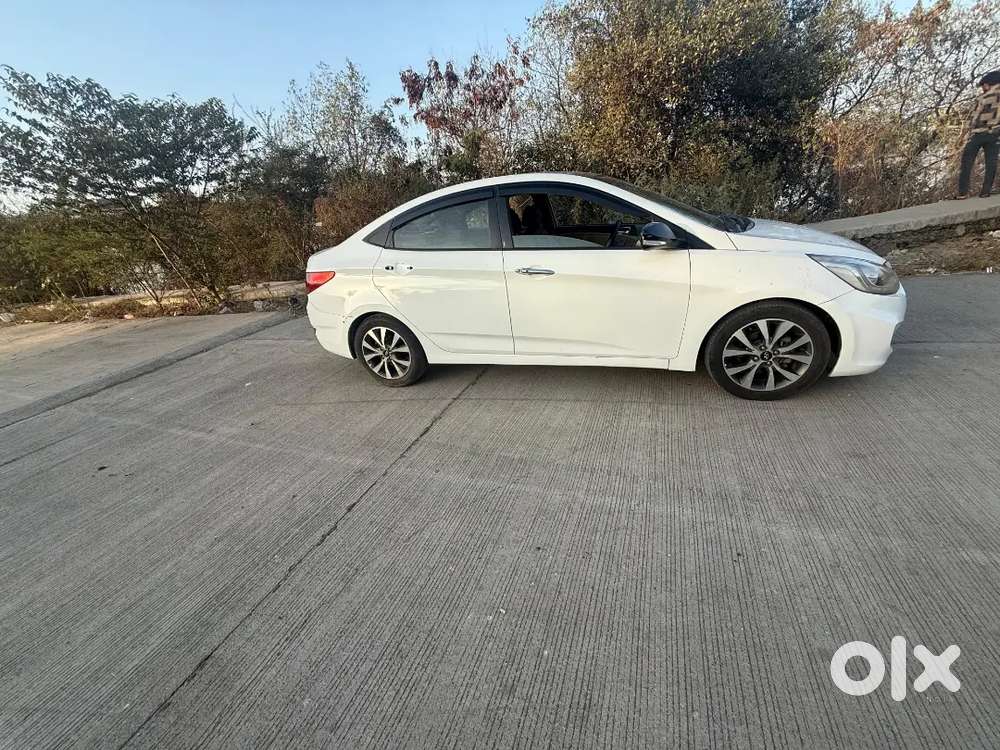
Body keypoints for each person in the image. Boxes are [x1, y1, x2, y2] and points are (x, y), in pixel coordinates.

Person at [958, 70, 1000, 199]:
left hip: (978, 134)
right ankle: (985, 191)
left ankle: (963, 192)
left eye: (983, 85)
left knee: (967, 161)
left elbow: (974, 117)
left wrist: (970, 130)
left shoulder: (983, 97)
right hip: (995, 133)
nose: (982, 88)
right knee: (991, 163)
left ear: (989, 84)